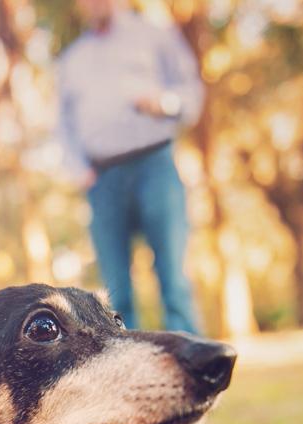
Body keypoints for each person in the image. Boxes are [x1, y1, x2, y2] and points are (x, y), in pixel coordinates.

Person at [57, 0, 205, 334]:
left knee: (175, 280)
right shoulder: (71, 61)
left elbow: (192, 93)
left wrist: (165, 102)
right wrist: (79, 170)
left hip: (156, 166)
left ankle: (194, 374)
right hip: (101, 179)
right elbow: (62, 124)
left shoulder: (155, 36)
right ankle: (128, 376)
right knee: (115, 292)